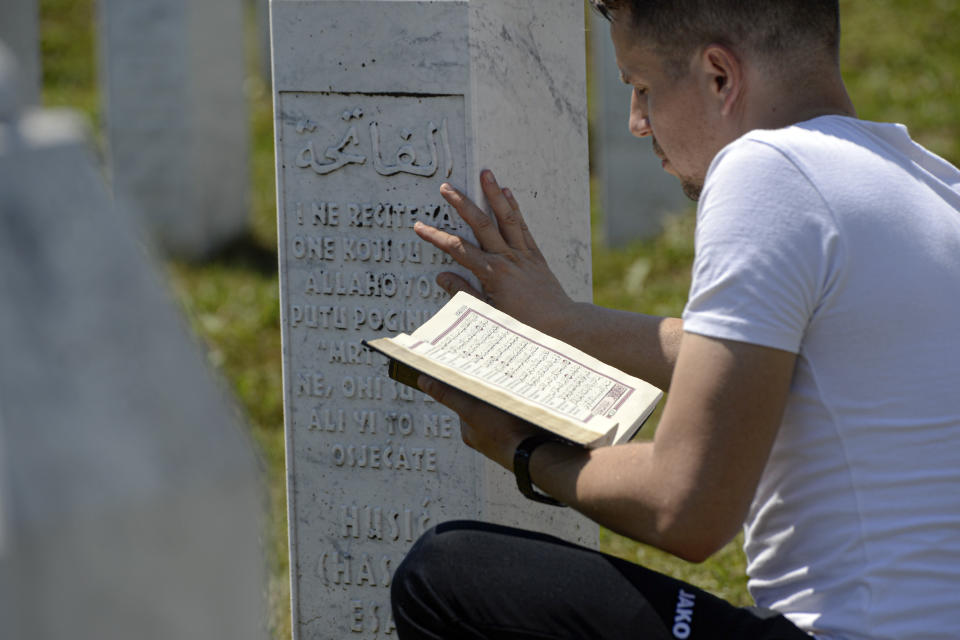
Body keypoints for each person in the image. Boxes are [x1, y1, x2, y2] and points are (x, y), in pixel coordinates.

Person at [390, 1, 960, 638]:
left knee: (444, 576)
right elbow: (778, 362)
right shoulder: (931, 186)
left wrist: (523, 450)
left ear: (720, 76)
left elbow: (688, 508)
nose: (636, 122)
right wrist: (565, 322)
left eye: (641, 87)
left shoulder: (768, 171)